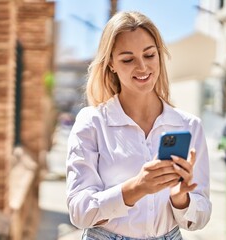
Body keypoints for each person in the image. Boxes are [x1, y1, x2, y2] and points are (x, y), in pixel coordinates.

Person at [66, 11, 211, 240]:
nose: (142, 67)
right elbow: (79, 212)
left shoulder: (189, 126)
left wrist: (180, 198)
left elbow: (201, 216)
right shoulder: (92, 122)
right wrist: (136, 188)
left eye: (149, 55)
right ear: (111, 64)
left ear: (159, 56)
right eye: (127, 59)